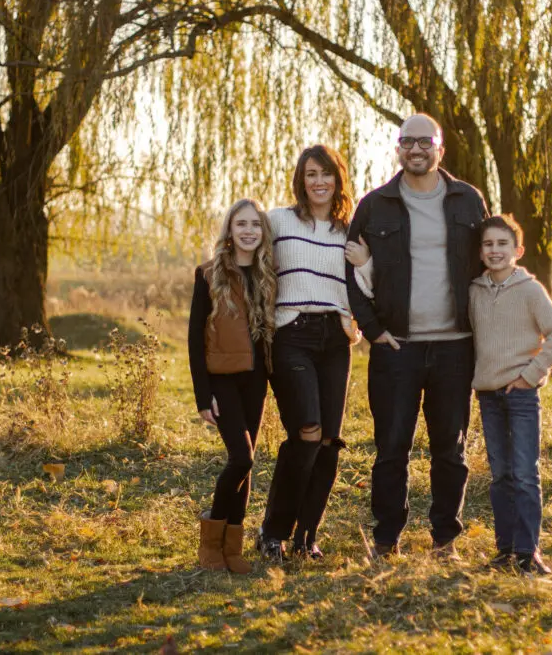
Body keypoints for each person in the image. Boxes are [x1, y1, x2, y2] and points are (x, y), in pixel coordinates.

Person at [345, 113, 488, 560]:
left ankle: (445, 540)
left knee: (451, 449)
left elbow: (488, 262)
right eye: (407, 141)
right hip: (396, 349)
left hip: (455, 347)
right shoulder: (375, 205)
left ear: (440, 148)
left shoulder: (468, 200)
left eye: (425, 141)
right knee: (391, 448)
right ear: (398, 148)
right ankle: (386, 540)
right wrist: (373, 331)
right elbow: (351, 273)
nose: (416, 149)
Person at [257, 145, 357, 562]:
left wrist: (366, 262)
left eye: (326, 174)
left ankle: (306, 537)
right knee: (307, 433)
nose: (318, 181)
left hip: (335, 337)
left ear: (338, 180)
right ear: (301, 180)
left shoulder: (349, 230)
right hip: (291, 334)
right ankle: (272, 532)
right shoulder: (279, 221)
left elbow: (366, 283)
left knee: (329, 441)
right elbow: (244, 254)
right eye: (311, 174)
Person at [469, 214, 552, 575]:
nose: (495, 250)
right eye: (488, 244)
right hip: (489, 396)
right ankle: (505, 550)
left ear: (518, 250)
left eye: (502, 244)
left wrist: (531, 375)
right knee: (501, 476)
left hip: (521, 395)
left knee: (525, 473)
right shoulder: (474, 291)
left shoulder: (529, 290)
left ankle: (529, 553)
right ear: (480, 251)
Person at [188, 198, 277, 574]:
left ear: (263, 231)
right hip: (222, 380)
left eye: (255, 225)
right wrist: (202, 395)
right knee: (242, 457)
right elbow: (194, 338)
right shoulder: (209, 274)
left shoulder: (268, 274)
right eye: (241, 224)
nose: (248, 231)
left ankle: (233, 547)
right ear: (229, 230)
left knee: (247, 465)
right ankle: (211, 540)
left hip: (256, 381)